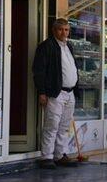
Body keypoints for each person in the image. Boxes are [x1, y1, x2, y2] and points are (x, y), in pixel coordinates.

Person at [32, 18, 79, 169]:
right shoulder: (46, 46)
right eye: (60, 29)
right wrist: (42, 92)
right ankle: (47, 156)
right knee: (52, 124)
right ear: (54, 30)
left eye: (66, 29)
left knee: (64, 126)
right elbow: (39, 71)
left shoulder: (69, 46)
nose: (64, 32)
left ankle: (60, 154)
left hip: (70, 92)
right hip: (55, 92)